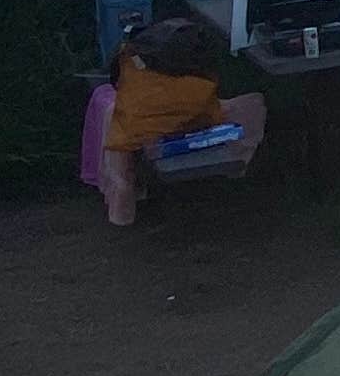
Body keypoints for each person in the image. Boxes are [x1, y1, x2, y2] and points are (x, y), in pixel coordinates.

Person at [88, 14, 265, 226]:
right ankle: (241, 168)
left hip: (147, 129)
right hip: (183, 124)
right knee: (255, 103)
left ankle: (127, 204)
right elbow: (209, 111)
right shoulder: (194, 87)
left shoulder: (134, 72)